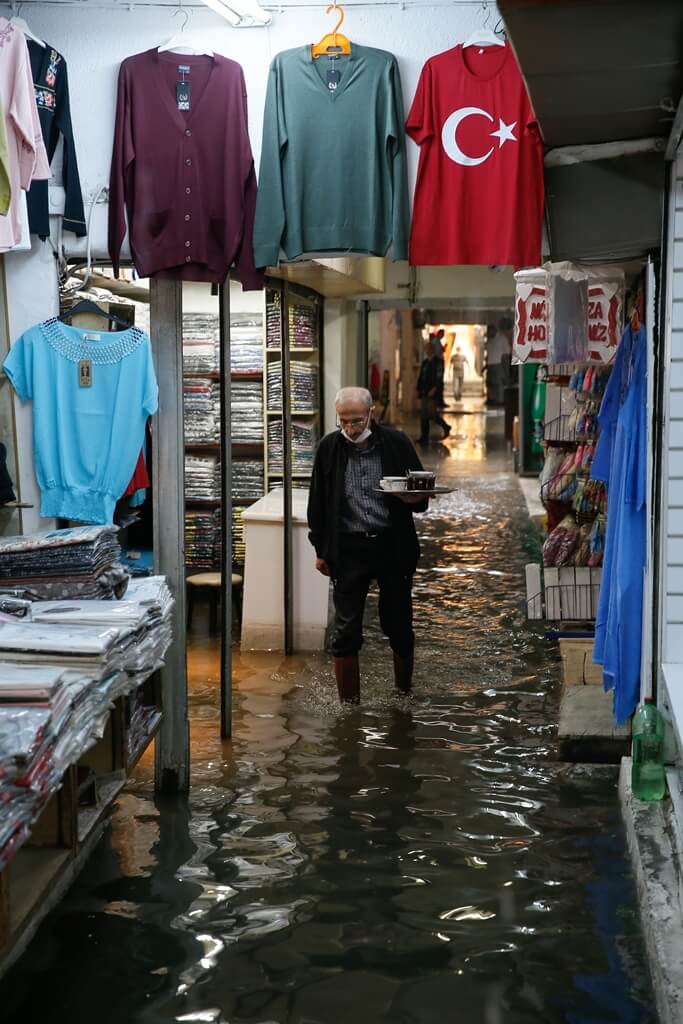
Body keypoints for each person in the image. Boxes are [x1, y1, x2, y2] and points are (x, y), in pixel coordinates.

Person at [307, 387, 430, 703]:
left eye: (357, 421)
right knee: (346, 631)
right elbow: (317, 503)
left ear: (372, 413)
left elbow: (421, 495)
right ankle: (349, 710)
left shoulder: (396, 443)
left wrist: (411, 497)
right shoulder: (329, 449)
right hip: (348, 549)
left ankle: (403, 694)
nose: (350, 429)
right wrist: (320, 550)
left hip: (391, 546)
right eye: (344, 422)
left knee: (399, 625)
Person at [416, 337, 451, 443]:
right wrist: (418, 388)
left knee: (431, 413)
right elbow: (421, 376)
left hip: (433, 391)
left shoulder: (438, 362)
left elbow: (439, 377)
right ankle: (424, 437)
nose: (427, 350)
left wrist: (435, 388)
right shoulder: (425, 362)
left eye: (428, 348)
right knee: (424, 414)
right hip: (425, 391)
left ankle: (445, 426)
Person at [486, 318, 512, 405]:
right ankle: (493, 399)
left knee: (499, 383)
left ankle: (500, 400)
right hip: (490, 364)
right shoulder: (490, 340)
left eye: (490, 331)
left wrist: (506, 367)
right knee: (491, 383)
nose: (489, 333)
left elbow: (506, 353)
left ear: (494, 330)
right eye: (488, 331)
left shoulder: (502, 338)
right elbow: (489, 354)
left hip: (499, 364)